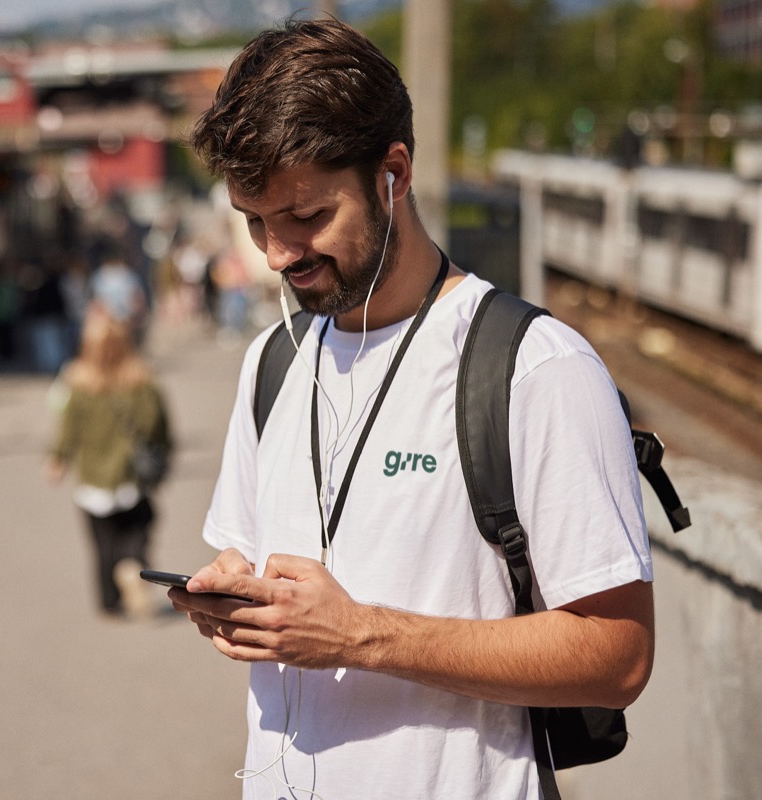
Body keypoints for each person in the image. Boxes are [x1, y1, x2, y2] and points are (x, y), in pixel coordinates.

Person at [167, 18, 654, 799]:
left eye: (305, 217)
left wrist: (362, 635)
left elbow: (618, 657)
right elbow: (255, 557)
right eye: (255, 221)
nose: (276, 254)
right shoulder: (274, 359)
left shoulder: (534, 368)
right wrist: (235, 591)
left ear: (393, 172)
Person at [44, 307, 172, 619]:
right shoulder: (143, 384)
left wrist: (57, 458)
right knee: (139, 528)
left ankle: (109, 602)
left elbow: (68, 429)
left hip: (92, 482)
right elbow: (160, 427)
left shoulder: (79, 385)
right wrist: (164, 458)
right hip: (131, 479)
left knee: (102, 544)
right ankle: (133, 564)